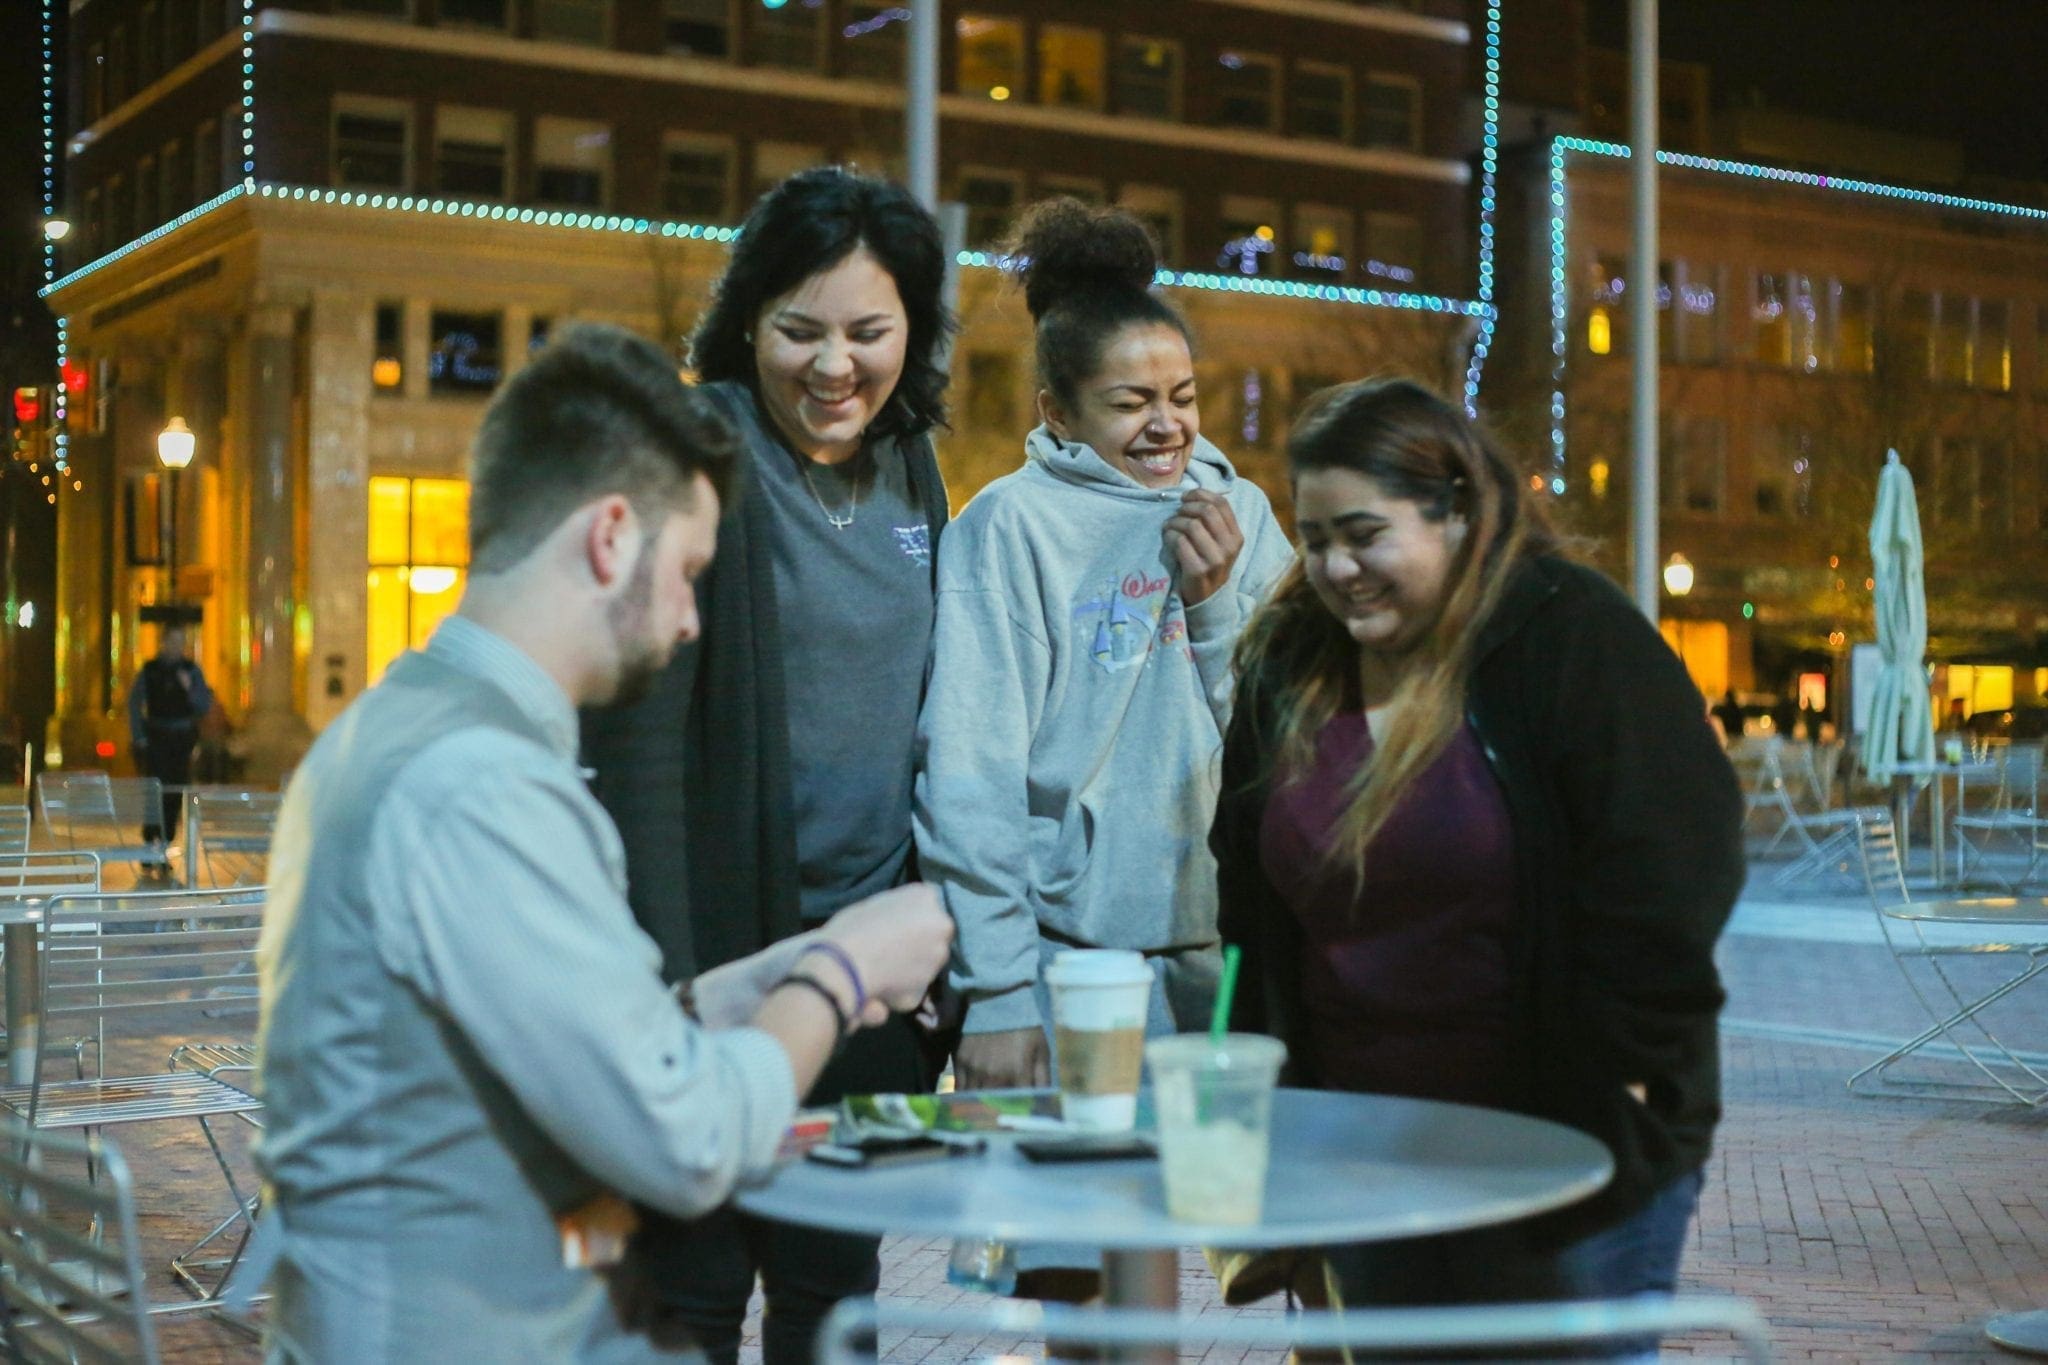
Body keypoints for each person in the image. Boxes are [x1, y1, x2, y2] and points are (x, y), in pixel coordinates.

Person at [253, 323, 954, 1363]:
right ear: (611, 537)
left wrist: (782, 966)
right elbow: (690, 1141)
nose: (689, 623)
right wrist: (846, 973)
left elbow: (575, 1027)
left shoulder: (398, 730)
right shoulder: (483, 788)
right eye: (689, 574)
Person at [1213, 378, 1743, 1346]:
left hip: (1556, 1150)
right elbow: (1246, 902)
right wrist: (1263, 1110)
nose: (1335, 567)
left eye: (1363, 533)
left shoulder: (1567, 635)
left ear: (1453, 510)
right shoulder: (1287, 662)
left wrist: (1610, 1074)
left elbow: (1673, 867)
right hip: (1360, 1150)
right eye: (1312, 536)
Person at [579, 167, 953, 1364]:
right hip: (729, 960)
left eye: (867, 331)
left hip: (873, 969)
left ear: (912, 333)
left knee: (834, 1298)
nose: (833, 366)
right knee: (691, 1292)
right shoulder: (696, 451)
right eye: (800, 330)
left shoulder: (914, 469)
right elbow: (635, 736)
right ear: (748, 321)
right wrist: (668, 983)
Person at [915, 196, 1291, 1134]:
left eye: (1183, 397)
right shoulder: (1007, 530)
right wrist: (996, 988)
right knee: (1074, 1251)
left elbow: (1289, 744)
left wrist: (1211, 611)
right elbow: (968, 772)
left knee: (1225, 1224)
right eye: (1131, 404)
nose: (1168, 427)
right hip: (1068, 960)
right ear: (1059, 410)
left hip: (1224, 948)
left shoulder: (1241, 513)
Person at [127, 623, 214, 876]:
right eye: (172, 642)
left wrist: (189, 688)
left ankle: (164, 845)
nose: (176, 648)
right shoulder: (150, 670)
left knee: (174, 795)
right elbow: (135, 704)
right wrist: (139, 737)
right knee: (154, 793)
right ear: (163, 643)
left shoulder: (190, 670)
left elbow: (203, 705)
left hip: (181, 741)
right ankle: (150, 844)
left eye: (180, 642)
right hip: (157, 739)